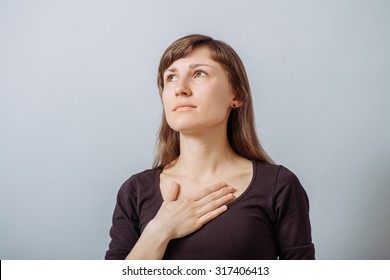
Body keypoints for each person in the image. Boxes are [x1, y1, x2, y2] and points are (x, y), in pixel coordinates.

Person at [105, 34, 315, 260]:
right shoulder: (135, 191)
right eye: (171, 77)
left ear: (237, 95)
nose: (181, 89)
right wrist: (158, 231)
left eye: (199, 73)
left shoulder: (279, 186)